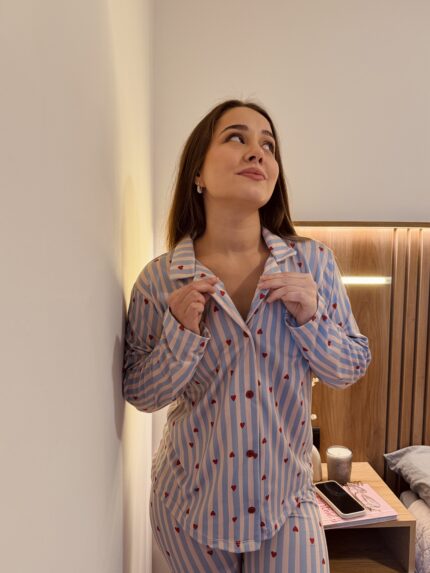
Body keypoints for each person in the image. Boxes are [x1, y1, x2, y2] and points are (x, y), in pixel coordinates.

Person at [122, 99, 371, 572]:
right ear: (198, 172)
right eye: (236, 137)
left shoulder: (313, 263)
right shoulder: (160, 280)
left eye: (268, 145)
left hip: (287, 503)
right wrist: (180, 335)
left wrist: (312, 318)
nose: (258, 152)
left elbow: (348, 369)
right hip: (187, 506)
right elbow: (141, 393)